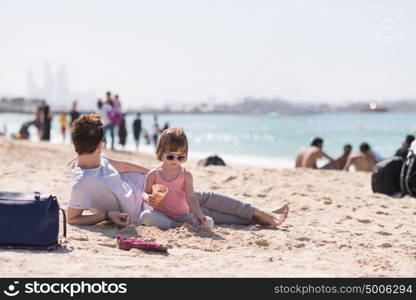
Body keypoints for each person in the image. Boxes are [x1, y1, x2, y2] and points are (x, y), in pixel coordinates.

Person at [67, 114, 288, 228]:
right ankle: (258, 218)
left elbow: (123, 166)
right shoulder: (81, 183)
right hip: (149, 206)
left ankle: (259, 213)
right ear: (100, 144)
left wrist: (156, 173)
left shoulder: (97, 158)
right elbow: (73, 219)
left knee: (205, 197)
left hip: (155, 187)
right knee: (207, 212)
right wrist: (106, 216)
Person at [139, 128, 208, 230]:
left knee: (208, 223)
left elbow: (191, 197)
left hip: (182, 216)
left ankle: (176, 224)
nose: (175, 160)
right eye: (170, 156)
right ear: (160, 153)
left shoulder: (186, 175)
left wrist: (198, 213)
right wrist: (147, 198)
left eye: (180, 157)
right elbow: (144, 192)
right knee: (145, 216)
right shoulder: (154, 174)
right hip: (161, 215)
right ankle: (176, 225)